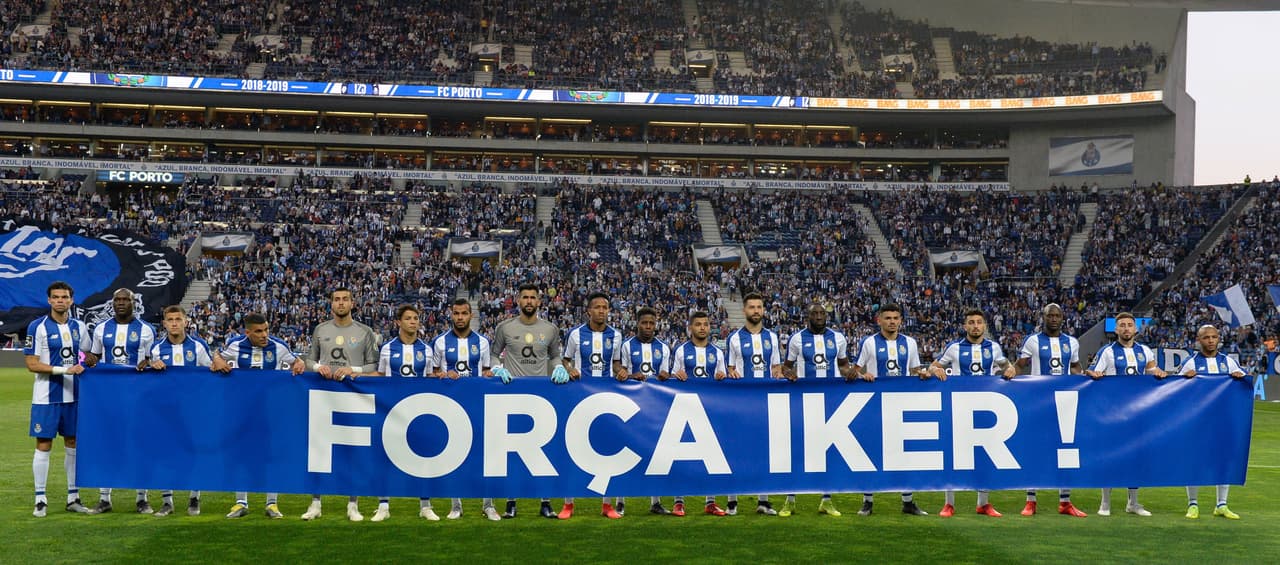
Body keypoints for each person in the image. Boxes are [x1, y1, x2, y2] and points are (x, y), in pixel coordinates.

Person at [301, 287, 382, 522]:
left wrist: (353, 370)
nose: (341, 303)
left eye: (345, 299)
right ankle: (315, 503)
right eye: (336, 299)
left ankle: (353, 505)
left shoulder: (365, 332)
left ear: (353, 303)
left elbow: (374, 367)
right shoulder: (321, 329)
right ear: (331, 304)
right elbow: (308, 360)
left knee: (353, 451)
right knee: (319, 450)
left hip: (353, 396)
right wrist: (318, 367)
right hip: (324, 395)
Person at [490, 282, 568, 519]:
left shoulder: (550, 329)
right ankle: (511, 502)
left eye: (533, 297)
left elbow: (555, 356)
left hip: (543, 396)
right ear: (518, 300)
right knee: (512, 452)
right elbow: (494, 354)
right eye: (525, 297)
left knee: (543, 452)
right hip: (513, 395)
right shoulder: (505, 328)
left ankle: (545, 502)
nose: (529, 301)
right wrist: (497, 368)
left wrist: (559, 368)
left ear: (539, 301)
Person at [1002, 303, 1087, 518]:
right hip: (1039, 400)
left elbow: (1075, 367)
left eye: (1058, 316)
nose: (1054, 319)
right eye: (1051, 315)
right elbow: (1022, 363)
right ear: (1044, 317)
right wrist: (1013, 369)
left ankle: (1065, 501)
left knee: (1066, 448)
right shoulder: (1033, 340)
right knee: (1035, 448)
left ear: (1062, 318)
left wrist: (1085, 375)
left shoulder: (1072, 342)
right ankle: (1031, 500)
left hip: (1066, 400)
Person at [219, 313, 305, 519]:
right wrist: (217, 361)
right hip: (242, 411)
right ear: (247, 332)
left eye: (266, 329)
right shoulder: (235, 345)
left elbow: (296, 362)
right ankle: (241, 503)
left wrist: (299, 363)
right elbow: (218, 358)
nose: (264, 334)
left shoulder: (279, 346)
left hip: (270, 412)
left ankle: (272, 504)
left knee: (270, 456)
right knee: (241, 455)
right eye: (258, 331)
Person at [147, 305, 231, 517]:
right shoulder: (156, 349)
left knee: (194, 453)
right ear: (164, 323)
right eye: (170, 319)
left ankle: (194, 498)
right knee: (165, 454)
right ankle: (167, 501)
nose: (174, 323)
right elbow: (147, 378)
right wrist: (150, 365)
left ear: (186, 322)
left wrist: (216, 364)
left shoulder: (198, 346)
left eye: (178, 319)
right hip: (166, 411)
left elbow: (210, 372)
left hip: (193, 411)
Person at [928, 308, 1011, 518]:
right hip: (959, 408)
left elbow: (1006, 366)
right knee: (954, 454)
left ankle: (983, 503)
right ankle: (949, 503)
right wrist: (935, 369)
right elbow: (933, 366)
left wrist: (1011, 370)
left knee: (984, 456)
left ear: (984, 326)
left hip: (986, 409)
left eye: (979, 322)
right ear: (965, 326)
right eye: (971, 322)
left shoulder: (994, 348)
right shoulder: (954, 348)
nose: (975, 326)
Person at [1084, 311, 1166, 517]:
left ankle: (1133, 503)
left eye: (1130, 325)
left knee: (1135, 457)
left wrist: (1158, 372)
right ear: (1116, 329)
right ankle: (1105, 503)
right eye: (1122, 325)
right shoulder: (1108, 351)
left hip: (1138, 413)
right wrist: (1092, 373)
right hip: (1113, 414)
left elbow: (1152, 370)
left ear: (1136, 329)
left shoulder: (1145, 351)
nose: (1126, 328)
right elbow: (1092, 370)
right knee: (1110, 457)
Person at [850, 303, 929, 517]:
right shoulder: (869, 343)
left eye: (895, 318)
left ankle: (908, 501)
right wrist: (862, 375)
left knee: (904, 454)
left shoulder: (910, 343)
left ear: (901, 321)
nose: (892, 321)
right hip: (875, 406)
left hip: (902, 405)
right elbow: (852, 372)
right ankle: (867, 501)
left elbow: (914, 369)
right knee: (871, 452)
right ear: (879, 320)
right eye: (888, 318)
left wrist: (923, 373)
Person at [85, 288, 156, 514]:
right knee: (108, 445)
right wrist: (89, 359)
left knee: (141, 445)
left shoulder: (146, 329)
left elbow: (151, 359)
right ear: (112, 303)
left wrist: (148, 362)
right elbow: (95, 356)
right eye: (118, 299)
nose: (122, 303)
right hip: (108, 397)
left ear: (134, 303)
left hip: (138, 397)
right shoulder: (101, 328)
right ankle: (105, 498)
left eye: (126, 299)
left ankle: (142, 498)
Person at [25, 281, 92, 517]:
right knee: (44, 445)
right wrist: (66, 370)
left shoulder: (79, 328)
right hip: (46, 397)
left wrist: (88, 365)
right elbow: (32, 364)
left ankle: (73, 497)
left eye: (65, 297)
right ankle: (40, 499)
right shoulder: (37, 327)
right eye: (56, 297)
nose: (60, 300)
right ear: (49, 300)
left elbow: (89, 355)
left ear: (71, 300)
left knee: (73, 444)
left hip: (74, 397)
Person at [780, 302, 853, 518]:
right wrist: (788, 374)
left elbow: (843, 365)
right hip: (802, 400)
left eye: (822, 313)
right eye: (815, 313)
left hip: (830, 401)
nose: (819, 316)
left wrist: (849, 372)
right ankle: (790, 500)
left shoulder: (838, 338)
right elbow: (786, 366)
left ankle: (826, 500)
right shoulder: (797, 338)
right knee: (798, 449)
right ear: (808, 315)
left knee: (827, 452)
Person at [431, 298, 500, 521]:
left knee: (485, 456)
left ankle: (488, 504)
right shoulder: (440, 342)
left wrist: (489, 374)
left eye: (464, 313)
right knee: (454, 456)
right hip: (450, 408)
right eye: (456, 313)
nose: (460, 317)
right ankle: (456, 505)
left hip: (478, 405)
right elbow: (431, 374)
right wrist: (440, 375)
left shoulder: (482, 342)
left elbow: (487, 372)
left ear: (471, 315)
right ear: (451, 315)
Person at [560, 291, 626, 519]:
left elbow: (616, 364)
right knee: (572, 448)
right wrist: (569, 370)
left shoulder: (616, 336)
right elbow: (565, 359)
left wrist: (622, 372)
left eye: (605, 307)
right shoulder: (576, 334)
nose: (601, 310)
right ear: (588, 310)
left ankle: (607, 505)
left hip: (607, 398)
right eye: (597, 307)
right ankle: (568, 504)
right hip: (579, 397)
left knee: (609, 450)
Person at [373, 304, 436, 521]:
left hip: (419, 413)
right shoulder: (388, 349)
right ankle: (383, 505)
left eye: (416, 318)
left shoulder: (427, 350)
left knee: (423, 458)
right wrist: (354, 376)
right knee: (385, 458)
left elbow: (430, 379)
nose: (413, 322)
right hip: (392, 411)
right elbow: (381, 376)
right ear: (398, 322)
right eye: (408, 318)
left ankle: (425, 505)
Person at [1177, 324, 1246, 520]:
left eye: (1214, 337)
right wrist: (1184, 379)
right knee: (1194, 461)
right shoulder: (1190, 363)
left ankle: (1221, 505)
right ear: (1199, 340)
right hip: (1197, 421)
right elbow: (1175, 391)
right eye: (1206, 337)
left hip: (1222, 420)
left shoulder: (1228, 363)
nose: (1210, 340)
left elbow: (1244, 383)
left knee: (1223, 461)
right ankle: (1193, 504)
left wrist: (1240, 378)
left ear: (1218, 339)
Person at [616, 307, 678, 515]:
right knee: (624, 451)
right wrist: (631, 375)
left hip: (655, 407)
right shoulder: (626, 346)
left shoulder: (664, 348)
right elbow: (620, 373)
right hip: (629, 407)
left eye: (652, 323)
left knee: (656, 454)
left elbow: (667, 375)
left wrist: (664, 375)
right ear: (637, 323)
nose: (648, 327)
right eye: (644, 323)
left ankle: (656, 501)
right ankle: (620, 500)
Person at [724, 291, 782, 515]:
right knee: (736, 449)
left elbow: (776, 368)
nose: (756, 311)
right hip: (741, 402)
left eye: (759, 307)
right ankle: (732, 500)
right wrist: (731, 375)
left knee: (764, 451)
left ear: (763, 310)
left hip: (765, 402)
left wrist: (780, 375)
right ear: (744, 310)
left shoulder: (773, 338)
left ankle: (763, 500)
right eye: (752, 307)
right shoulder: (734, 338)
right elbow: (730, 369)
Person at [670, 311, 731, 517]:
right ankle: (679, 501)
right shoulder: (681, 351)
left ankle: (710, 501)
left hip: (709, 409)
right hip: (685, 408)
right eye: (698, 324)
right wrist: (676, 375)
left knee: (711, 458)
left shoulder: (718, 353)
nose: (703, 328)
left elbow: (721, 378)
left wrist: (722, 377)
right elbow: (672, 379)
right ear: (690, 328)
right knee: (681, 457)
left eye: (706, 324)